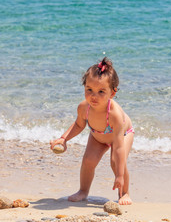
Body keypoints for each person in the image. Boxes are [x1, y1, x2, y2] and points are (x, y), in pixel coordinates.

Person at [50, 57, 135, 205]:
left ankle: (125, 192)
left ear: (112, 93)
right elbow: (78, 125)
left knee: (116, 162)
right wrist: (63, 139)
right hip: (98, 136)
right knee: (88, 161)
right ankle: (83, 191)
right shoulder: (84, 107)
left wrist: (119, 175)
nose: (93, 96)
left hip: (121, 136)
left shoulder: (115, 114)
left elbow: (119, 146)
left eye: (101, 91)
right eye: (89, 90)